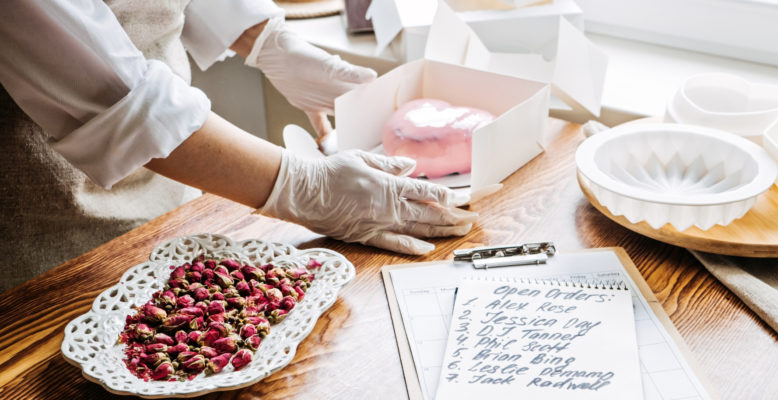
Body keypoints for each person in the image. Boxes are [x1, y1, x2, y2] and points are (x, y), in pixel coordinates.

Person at [0, 0, 477, 292]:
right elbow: (117, 100)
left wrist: (267, 40)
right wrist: (303, 184)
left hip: (176, 203)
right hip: (48, 239)